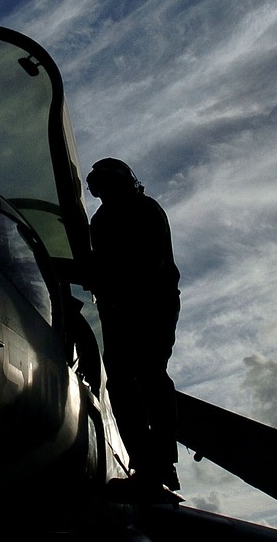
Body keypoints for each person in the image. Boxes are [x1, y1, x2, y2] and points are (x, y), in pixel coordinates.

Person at [85, 158, 181, 492]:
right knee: (123, 384)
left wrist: (111, 282)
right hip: (119, 310)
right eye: (101, 188)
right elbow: (100, 266)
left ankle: (161, 463)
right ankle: (149, 463)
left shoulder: (145, 211)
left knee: (150, 376)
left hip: (150, 306)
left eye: (109, 185)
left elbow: (148, 265)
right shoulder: (101, 220)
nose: (105, 193)